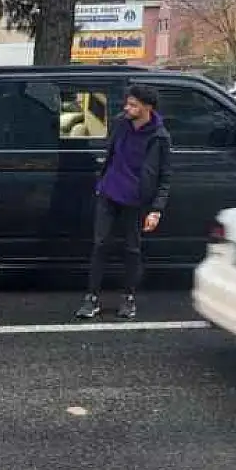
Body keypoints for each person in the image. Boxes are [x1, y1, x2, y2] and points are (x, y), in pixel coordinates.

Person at [76, 84, 173, 321]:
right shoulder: (121, 123)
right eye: (127, 103)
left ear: (147, 108)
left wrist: (156, 210)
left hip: (136, 201)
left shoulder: (160, 137)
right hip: (109, 193)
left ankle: (128, 298)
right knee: (100, 245)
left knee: (132, 250)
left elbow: (165, 176)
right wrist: (101, 183)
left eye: (132, 105)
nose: (127, 108)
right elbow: (87, 131)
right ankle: (91, 298)